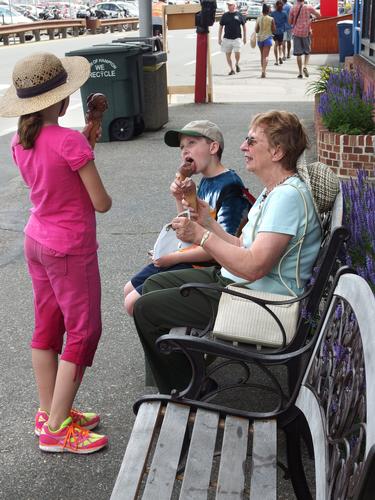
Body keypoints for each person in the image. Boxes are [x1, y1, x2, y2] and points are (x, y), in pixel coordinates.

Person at [132, 110, 323, 394]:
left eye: (251, 140)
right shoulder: (275, 191)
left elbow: (254, 267)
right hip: (240, 284)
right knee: (153, 284)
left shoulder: (287, 199)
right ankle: (186, 377)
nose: (243, 146)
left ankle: (187, 391)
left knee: (145, 308)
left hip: (257, 300)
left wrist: (202, 235)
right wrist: (199, 213)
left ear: (277, 152)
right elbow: (240, 245)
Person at [0, 53, 112, 454]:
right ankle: (57, 430)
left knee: (47, 328)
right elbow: (100, 202)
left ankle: (49, 411)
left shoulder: (20, 139)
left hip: (37, 239)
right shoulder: (70, 141)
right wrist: (85, 149)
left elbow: (53, 173)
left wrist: (83, 144)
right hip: (69, 247)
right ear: (62, 101)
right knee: (83, 331)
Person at [124, 120, 251, 316]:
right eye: (182, 147)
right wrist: (179, 198)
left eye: (191, 143)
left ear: (213, 147)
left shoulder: (230, 186)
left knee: (134, 302)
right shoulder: (204, 182)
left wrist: (170, 259)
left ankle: (171, 341)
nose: (185, 151)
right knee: (128, 290)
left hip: (209, 267)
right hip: (191, 256)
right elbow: (187, 229)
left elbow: (223, 246)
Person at [289, 0, 320, 78]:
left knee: (298, 54)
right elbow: (319, 15)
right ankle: (305, 66)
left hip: (296, 33)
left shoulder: (293, 8)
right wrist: (311, 19)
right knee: (307, 51)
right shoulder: (309, 7)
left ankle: (300, 73)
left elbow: (290, 22)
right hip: (306, 32)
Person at [218, 0, 247, 75]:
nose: (229, 6)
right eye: (228, 5)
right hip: (227, 38)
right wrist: (219, 38)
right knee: (228, 55)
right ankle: (231, 69)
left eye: (230, 5)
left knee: (237, 53)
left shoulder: (239, 14)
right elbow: (221, 27)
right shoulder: (225, 15)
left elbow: (244, 26)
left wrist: (244, 37)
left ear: (234, 6)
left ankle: (237, 63)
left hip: (237, 38)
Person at [255, 3, 276, 78]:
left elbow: (256, 30)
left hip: (260, 39)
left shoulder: (259, 18)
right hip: (268, 38)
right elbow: (274, 30)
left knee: (262, 56)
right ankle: (264, 71)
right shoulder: (271, 19)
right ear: (268, 10)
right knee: (266, 56)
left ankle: (262, 70)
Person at [271, 0, 288, 65]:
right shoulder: (284, 13)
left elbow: (271, 23)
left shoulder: (273, 13)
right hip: (282, 31)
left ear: (276, 6)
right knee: (280, 45)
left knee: (276, 44)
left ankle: (276, 60)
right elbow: (287, 22)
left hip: (275, 31)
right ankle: (280, 56)